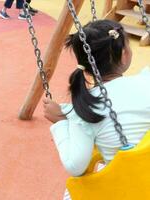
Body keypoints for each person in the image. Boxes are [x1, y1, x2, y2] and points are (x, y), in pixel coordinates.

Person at [42, 20, 150, 199]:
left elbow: (75, 166)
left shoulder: (85, 107)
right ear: (124, 55)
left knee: (71, 194)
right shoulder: (146, 80)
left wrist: (61, 123)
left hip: (126, 187)